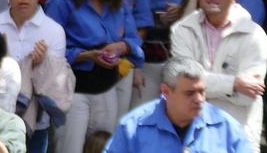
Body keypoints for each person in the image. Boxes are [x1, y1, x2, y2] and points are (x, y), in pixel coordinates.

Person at [45, 0, 143, 153]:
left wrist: (122, 46)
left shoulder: (118, 0)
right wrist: (84, 55)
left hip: (107, 88)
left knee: (104, 148)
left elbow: (135, 39)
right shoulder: (61, 2)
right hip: (73, 91)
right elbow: (50, 52)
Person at [166, 0, 265, 144]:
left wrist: (200, 84)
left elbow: (245, 96)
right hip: (193, 133)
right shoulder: (182, 30)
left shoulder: (254, 35)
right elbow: (181, 83)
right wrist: (233, 83)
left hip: (238, 133)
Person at [0, 0, 73, 153]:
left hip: (36, 122)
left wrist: (41, 65)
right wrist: (1, 59)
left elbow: (55, 82)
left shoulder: (54, 30)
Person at [104, 58, 253, 153]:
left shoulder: (226, 128)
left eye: (202, 91)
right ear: (166, 91)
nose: (199, 99)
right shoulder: (133, 127)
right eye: (190, 93)